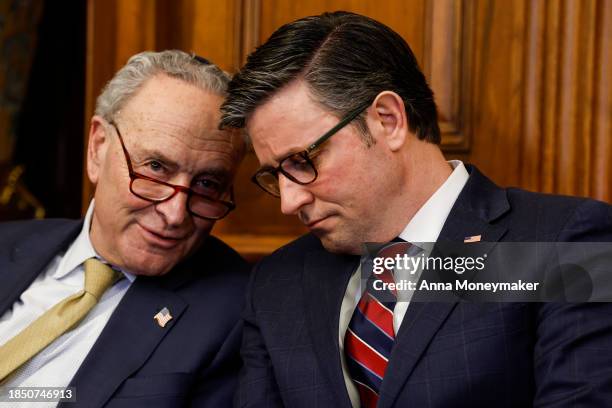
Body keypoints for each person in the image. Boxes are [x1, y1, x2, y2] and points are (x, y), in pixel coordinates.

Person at [220, 11, 612, 407]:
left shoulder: (558, 243)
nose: (289, 202)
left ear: (387, 120)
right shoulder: (278, 283)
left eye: (303, 162)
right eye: (275, 175)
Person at [0, 50, 248, 407]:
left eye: (208, 184)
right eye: (156, 167)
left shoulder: (234, 314)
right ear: (98, 148)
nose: (176, 213)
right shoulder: (7, 243)